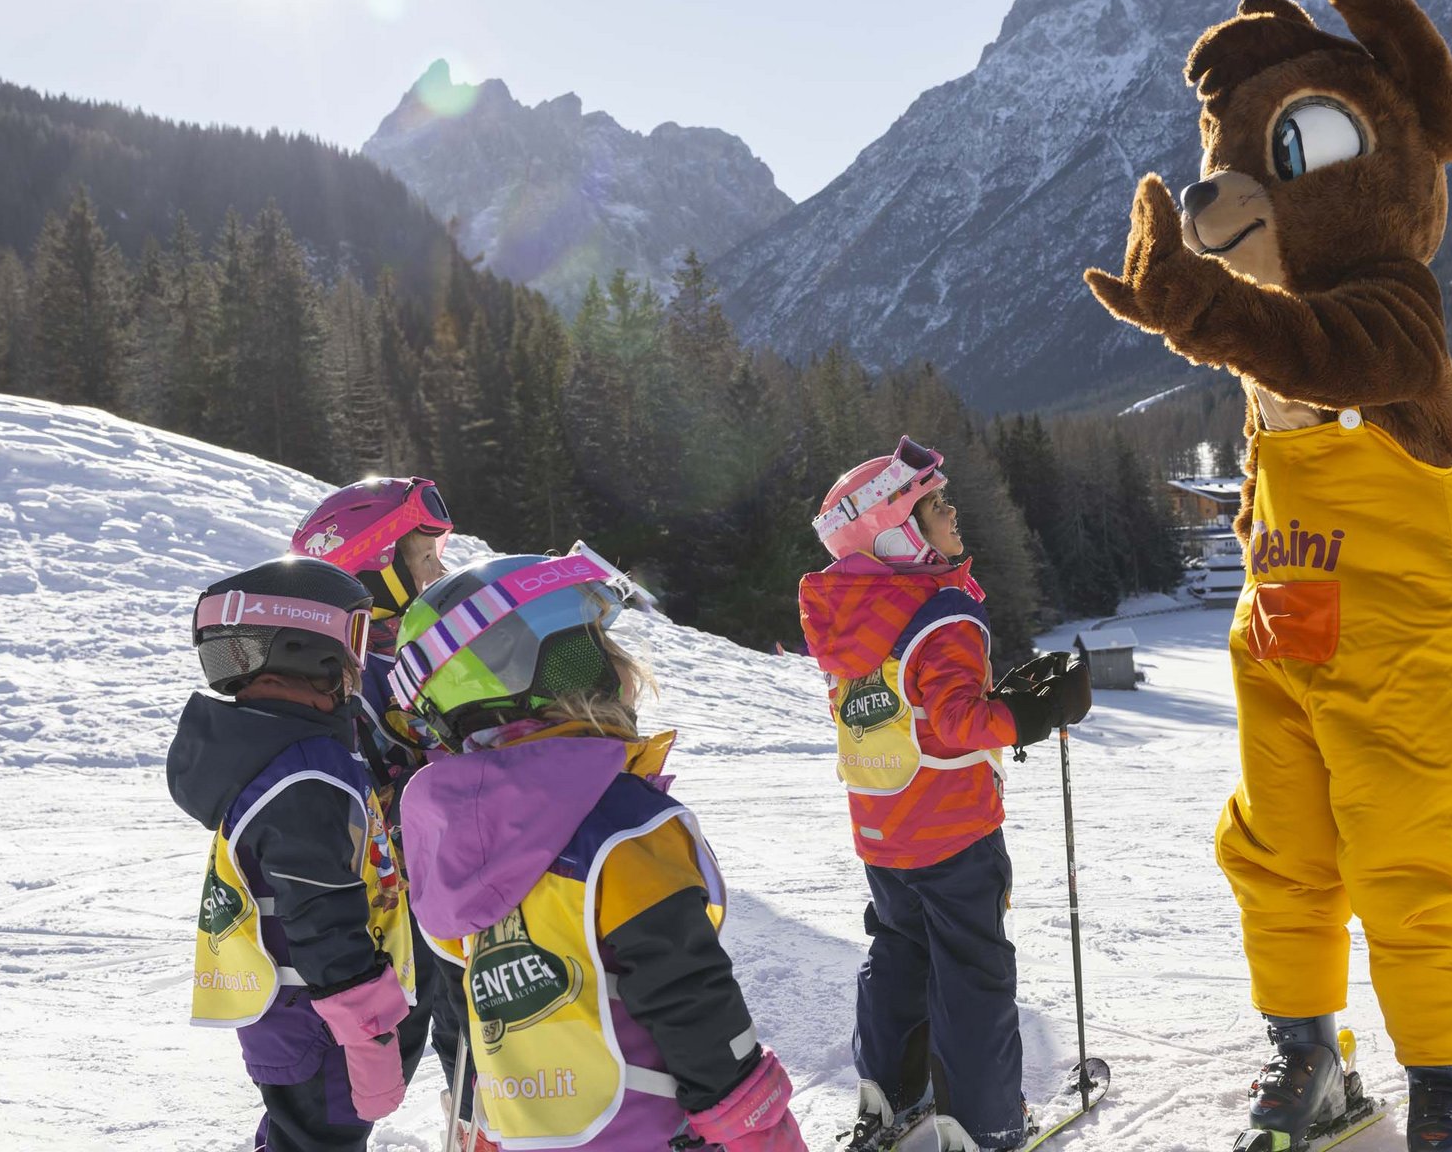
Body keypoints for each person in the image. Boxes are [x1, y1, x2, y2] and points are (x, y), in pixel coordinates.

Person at [389, 547, 807, 1152]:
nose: (620, 663)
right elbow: (687, 994)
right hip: (642, 1129)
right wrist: (757, 1124)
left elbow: (480, 1007)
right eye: (594, 643)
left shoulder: (464, 837)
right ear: (568, 668)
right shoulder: (623, 824)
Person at [798, 438, 1092, 1152]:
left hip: (881, 827)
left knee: (899, 950)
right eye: (935, 506)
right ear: (897, 532)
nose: (954, 511)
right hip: (954, 831)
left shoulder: (849, 614)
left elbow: (908, 707)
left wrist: (993, 699)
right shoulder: (944, 611)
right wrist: (1031, 714)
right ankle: (986, 1122)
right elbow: (959, 722)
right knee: (972, 971)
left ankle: (887, 1094)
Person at [168, 556, 418, 1152]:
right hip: (323, 1017)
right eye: (356, 637)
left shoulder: (274, 750)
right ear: (308, 647)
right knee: (322, 1139)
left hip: (290, 1012)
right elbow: (321, 913)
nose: (362, 663)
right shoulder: (307, 774)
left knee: (299, 1132)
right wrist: (369, 1033)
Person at [287, 476, 481, 1139]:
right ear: (376, 573)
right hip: (384, 919)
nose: (442, 570)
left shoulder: (423, 651)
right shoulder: (346, 674)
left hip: (452, 901)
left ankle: (479, 1127)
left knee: (482, 1053)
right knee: (356, 1078)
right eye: (427, 558)